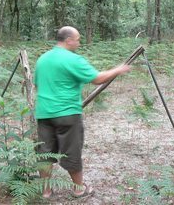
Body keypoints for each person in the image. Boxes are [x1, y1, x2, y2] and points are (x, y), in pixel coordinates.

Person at [34, 26, 131, 198]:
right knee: (71, 151)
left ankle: (46, 192)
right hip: (67, 114)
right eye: (77, 39)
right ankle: (79, 189)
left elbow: (37, 85)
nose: (79, 42)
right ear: (68, 40)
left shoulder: (42, 59)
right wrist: (118, 69)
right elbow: (97, 79)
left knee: (45, 153)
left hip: (44, 114)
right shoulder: (73, 59)